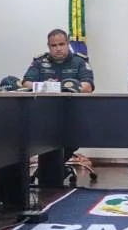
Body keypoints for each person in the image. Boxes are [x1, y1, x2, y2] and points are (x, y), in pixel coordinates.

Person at [23, 29, 94, 181]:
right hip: (43, 116)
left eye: (61, 44)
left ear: (68, 44)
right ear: (49, 46)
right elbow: (26, 82)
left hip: (72, 116)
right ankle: (51, 171)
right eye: (53, 45)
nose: (58, 48)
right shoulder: (40, 62)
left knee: (69, 140)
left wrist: (65, 87)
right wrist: (44, 85)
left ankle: (51, 170)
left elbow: (87, 86)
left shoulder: (79, 61)